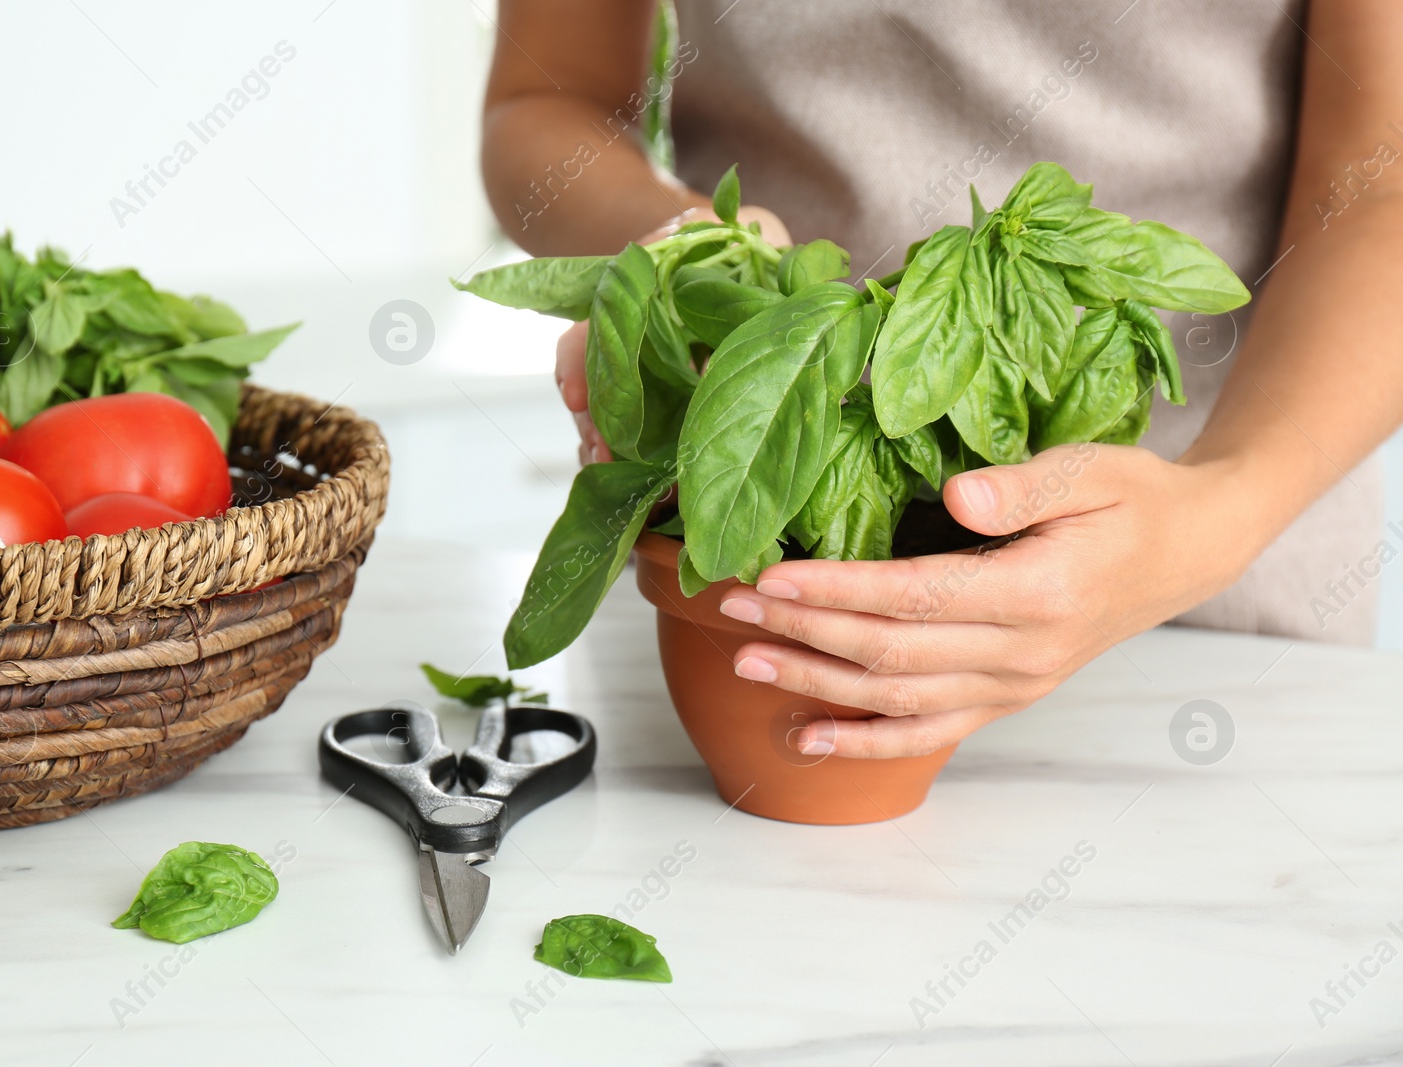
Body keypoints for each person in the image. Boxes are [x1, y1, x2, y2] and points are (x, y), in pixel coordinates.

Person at [479, 1, 1403, 759]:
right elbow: (543, 101)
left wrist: (1219, 508)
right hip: (748, 545)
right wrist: (688, 249)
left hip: (1208, 591)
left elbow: (1384, 179)